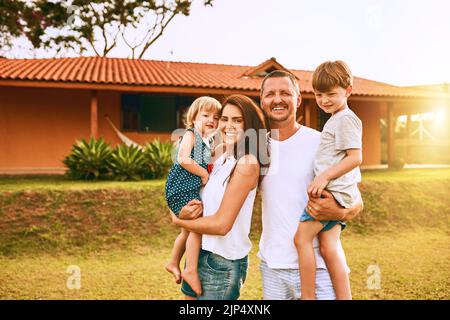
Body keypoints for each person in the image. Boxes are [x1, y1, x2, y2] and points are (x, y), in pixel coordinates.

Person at [258, 70, 364, 300]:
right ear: (262, 101)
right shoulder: (254, 148)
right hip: (273, 267)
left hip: (322, 268)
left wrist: (341, 211)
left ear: (298, 99)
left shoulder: (322, 141)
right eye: (270, 94)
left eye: (285, 93)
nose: (277, 99)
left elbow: (356, 198)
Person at [171, 94, 269, 300]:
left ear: (249, 124)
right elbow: (189, 181)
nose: (227, 125)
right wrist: (179, 208)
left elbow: (221, 225)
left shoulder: (247, 163)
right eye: (224, 119)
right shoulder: (222, 155)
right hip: (199, 252)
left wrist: (177, 220)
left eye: (237, 120)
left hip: (221, 262)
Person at [295, 60, 362, 300]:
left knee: (301, 238)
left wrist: (323, 176)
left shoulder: (345, 119)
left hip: (332, 193)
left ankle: (308, 296)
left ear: (348, 90)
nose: (324, 100)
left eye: (331, 94)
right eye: (319, 94)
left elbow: (355, 157)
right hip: (338, 192)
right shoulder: (335, 118)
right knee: (328, 246)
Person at [164, 96, 221, 296]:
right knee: (196, 227)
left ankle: (173, 262)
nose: (211, 120)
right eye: (205, 115)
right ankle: (190, 270)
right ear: (193, 118)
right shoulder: (190, 134)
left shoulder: (206, 141)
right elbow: (182, 158)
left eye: (215, 117)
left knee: (187, 231)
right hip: (181, 189)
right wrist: (204, 173)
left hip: (186, 189)